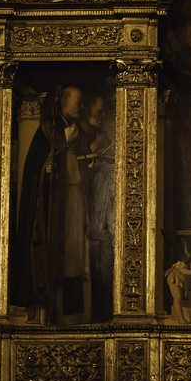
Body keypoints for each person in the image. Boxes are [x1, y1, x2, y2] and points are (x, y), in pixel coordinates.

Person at [12, 85, 91, 325]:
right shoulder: (47, 130)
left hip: (74, 200)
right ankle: (44, 310)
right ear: (63, 103)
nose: (81, 106)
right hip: (52, 208)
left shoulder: (81, 131)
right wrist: (57, 155)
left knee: (74, 257)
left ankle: (72, 315)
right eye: (77, 101)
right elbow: (35, 170)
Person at [75, 91, 115, 321]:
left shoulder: (102, 136)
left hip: (106, 223)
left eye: (103, 111)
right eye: (97, 110)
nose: (100, 115)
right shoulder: (84, 137)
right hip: (94, 223)